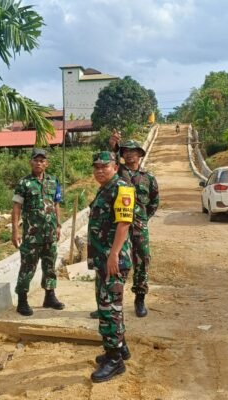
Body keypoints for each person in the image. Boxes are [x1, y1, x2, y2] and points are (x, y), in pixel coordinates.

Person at [96, 131, 159, 318]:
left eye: (133, 151)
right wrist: (113, 145)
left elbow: (154, 201)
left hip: (138, 226)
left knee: (142, 260)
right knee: (113, 261)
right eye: (126, 151)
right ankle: (108, 302)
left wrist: (142, 218)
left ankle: (140, 299)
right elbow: (107, 163)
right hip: (116, 226)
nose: (129, 154)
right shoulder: (118, 172)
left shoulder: (148, 177)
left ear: (140, 154)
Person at [87, 151, 135, 383]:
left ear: (115, 167)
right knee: (107, 304)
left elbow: (124, 223)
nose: (99, 170)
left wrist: (114, 254)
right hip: (103, 259)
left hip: (113, 259)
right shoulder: (105, 189)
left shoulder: (122, 188)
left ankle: (115, 361)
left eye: (104, 166)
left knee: (110, 308)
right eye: (96, 167)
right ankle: (117, 348)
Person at [12, 148, 65, 316]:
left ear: (46, 164)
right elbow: (16, 207)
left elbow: (56, 204)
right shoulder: (24, 183)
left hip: (50, 233)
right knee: (27, 267)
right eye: (36, 160)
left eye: (42, 161)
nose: (39, 163)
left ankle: (50, 296)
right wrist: (15, 231)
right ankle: (22, 301)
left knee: (50, 265)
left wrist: (58, 225)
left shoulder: (53, 181)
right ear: (31, 162)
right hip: (32, 235)